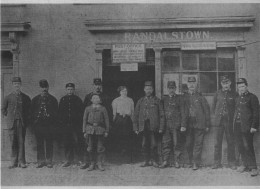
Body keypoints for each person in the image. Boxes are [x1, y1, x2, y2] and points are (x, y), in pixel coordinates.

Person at [133, 81, 165, 168]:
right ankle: (145, 160)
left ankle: (153, 160)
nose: (148, 90)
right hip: (143, 126)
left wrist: (161, 127)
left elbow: (162, 115)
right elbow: (135, 115)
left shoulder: (157, 100)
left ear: (153, 90)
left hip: (153, 126)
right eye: (147, 89)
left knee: (154, 144)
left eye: (150, 89)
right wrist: (135, 128)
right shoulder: (140, 101)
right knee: (144, 144)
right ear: (144, 90)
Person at [1, 77, 31, 169]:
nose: (16, 85)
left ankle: (22, 162)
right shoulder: (8, 97)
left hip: (21, 123)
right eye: (15, 84)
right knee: (13, 142)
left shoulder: (25, 97)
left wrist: (25, 119)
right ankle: (13, 162)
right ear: (12, 85)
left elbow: (29, 110)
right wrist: (9, 117)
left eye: (18, 83)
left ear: (20, 85)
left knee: (21, 142)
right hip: (11, 123)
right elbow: (3, 109)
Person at [234, 78, 259, 177]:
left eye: (243, 86)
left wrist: (254, 126)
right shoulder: (238, 98)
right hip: (237, 126)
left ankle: (253, 167)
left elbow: (256, 113)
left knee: (248, 146)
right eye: (239, 86)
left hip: (248, 127)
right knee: (240, 145)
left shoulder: (252, 97)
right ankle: (244, 164)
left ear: (246, 86)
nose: (241, 88)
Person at [184, 76, 210, 170]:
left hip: (199, 124)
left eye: (193, 83)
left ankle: (195, 163)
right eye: (190, 83)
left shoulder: (200, 97)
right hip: (188, 125)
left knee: (198, 144)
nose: (191, 85)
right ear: (187, 85)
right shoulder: (184, 97)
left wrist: (207, 124)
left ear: (196, 85)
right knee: (188, 144)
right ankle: (191, 161)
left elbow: (206, 111)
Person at [31, 79, 58, 168]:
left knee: (49, 143)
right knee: (39, 143)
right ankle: (40, 161)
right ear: (39, 88)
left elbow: (56, 113)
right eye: (42, 87)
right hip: (38, 125)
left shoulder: (53, 99)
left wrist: (53, 124)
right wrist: (34, 124)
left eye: (45, 87)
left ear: (48, 87)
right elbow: (31, 113)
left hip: (49, 125)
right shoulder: (35, 100)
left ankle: (49, 161)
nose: (44, 89)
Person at [160, 81, 187, 169]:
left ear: (175, 89)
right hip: (166, 125)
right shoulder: (164, 99)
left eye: (173, 88)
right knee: (166, 143)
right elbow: (161, 113)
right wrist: (161, 126)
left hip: (176, 125)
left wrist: (183, 125)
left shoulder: (180, 99)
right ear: (167, 89)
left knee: (176, 144)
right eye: (169, 88)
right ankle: (165, 161)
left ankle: (177, 161)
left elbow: (183, 112)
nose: (171, 90)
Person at [212, 75, 237, 169]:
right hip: (219, 122)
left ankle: (232, 162)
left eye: (227, 83)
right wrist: (217, 117)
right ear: (221, 84)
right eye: (223, 83)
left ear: (230, 83)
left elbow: (237, 108)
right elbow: (213, 107)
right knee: (217, 143)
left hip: (229, 122)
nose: (225, 85)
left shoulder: (235, 94)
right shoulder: (217, 93)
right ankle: (216, 162)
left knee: (231, 142)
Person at [58, 83, 84, 167]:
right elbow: (60, 113)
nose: (70, 91)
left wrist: (78, 122)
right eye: (68, 89)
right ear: (66, 90)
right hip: (66, 125)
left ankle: (79, 160)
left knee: (77, 142)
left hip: (76, 125)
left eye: (71, 89)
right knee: (67, 142)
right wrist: (62, 123)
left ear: (74, 90)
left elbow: (81, 113)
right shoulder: (63, 99)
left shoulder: (78, 100)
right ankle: (68, 160)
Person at [82, 93, 109, 171]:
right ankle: (92, 163)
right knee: (90, 147)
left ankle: (99, 163)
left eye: (97, 98)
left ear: (100, 100)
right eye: (94, 98)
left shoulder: (103, 108)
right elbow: (84, 120)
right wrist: (84, 131)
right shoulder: (87, 108)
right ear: (91, 100)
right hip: (90, 130)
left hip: (100, 129)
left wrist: (107, 130)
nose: (96, 100)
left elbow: (106, 120)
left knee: (100, 147)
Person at [112, 86, 134, 159]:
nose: (124, 92)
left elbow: (132, 112)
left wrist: (133, 122)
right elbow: (114, 113)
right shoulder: (116, 100)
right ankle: (119, 155)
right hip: (119, 119)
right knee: (119, 136)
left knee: (127, 136)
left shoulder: (130, 100)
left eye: (125, 91)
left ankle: (127, 155)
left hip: (127, 119)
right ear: (119, 92)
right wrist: (114, 122)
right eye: (122, 91)